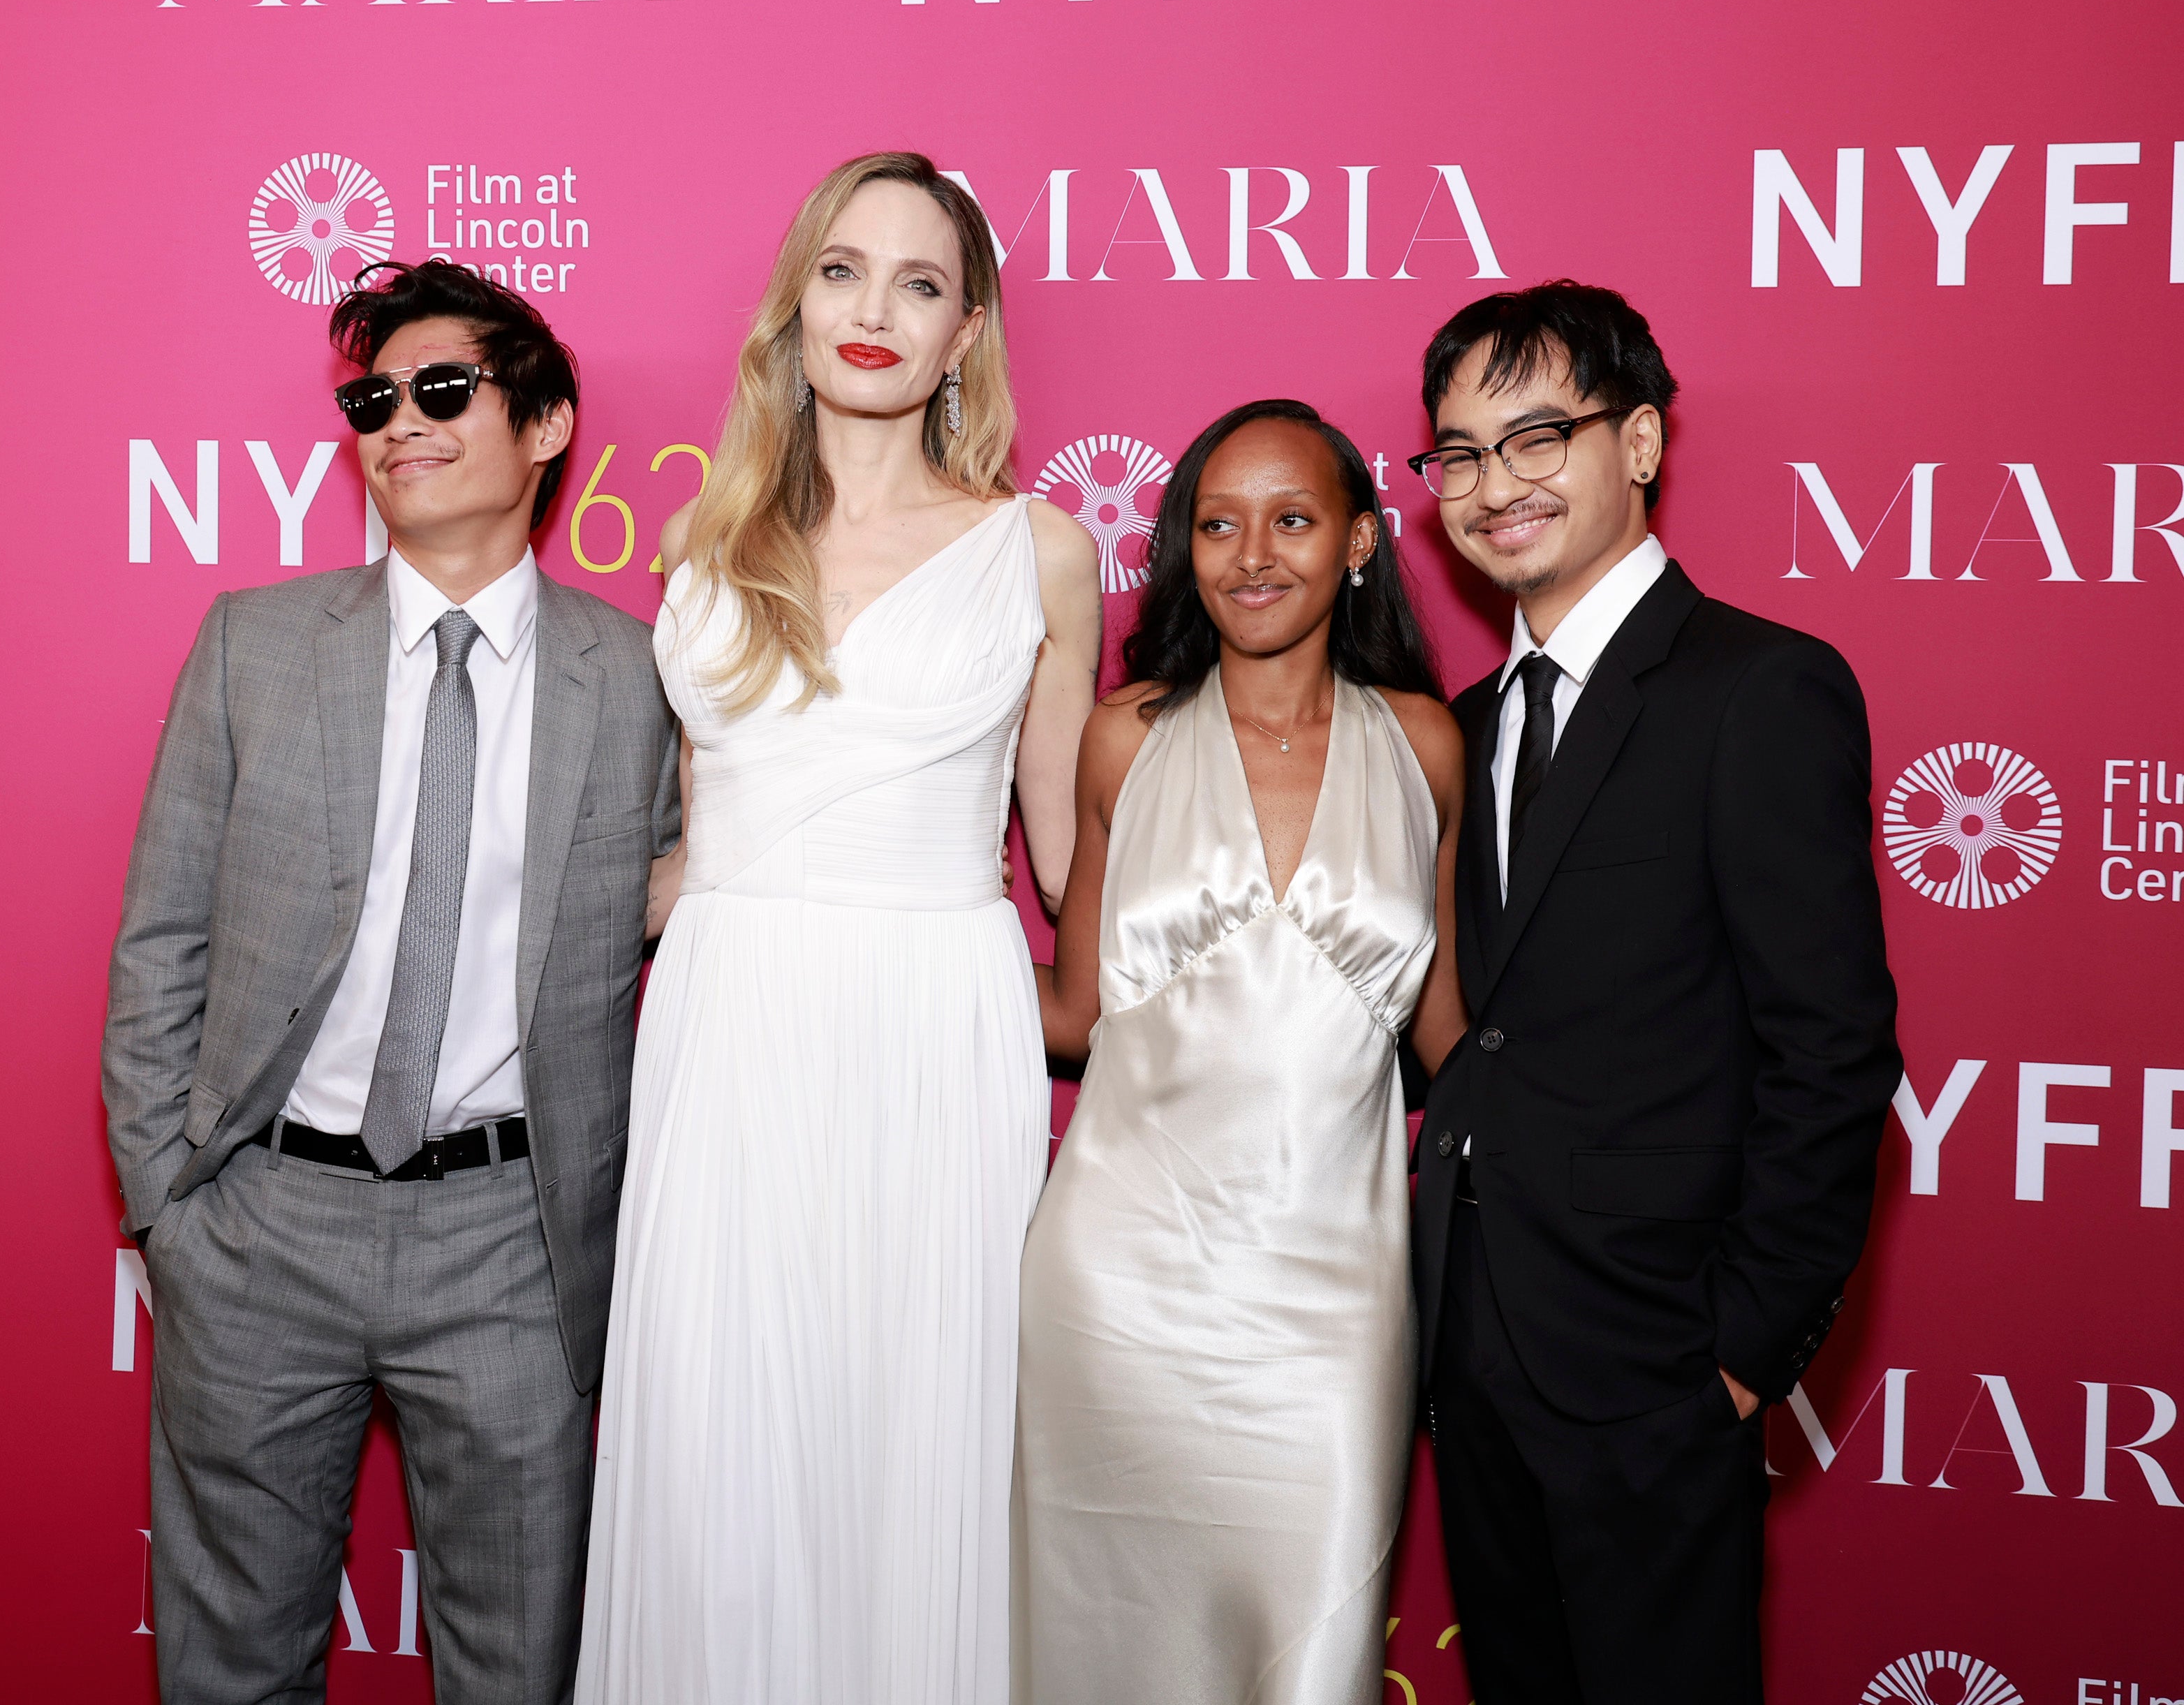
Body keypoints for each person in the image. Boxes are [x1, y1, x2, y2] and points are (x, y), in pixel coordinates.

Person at [101, 260, 679, 1705]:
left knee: (516, 1668)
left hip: (513, 1244)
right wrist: (170, 1202)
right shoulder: (256, 645)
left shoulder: (644, 680)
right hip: (260, 1230)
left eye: (442, 391)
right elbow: (161, 939)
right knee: (227, 1664)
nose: (397, 425)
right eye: (371, 399)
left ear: (544, 427)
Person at [574, 152, 1102, 1705]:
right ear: (795, 306)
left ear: (966, 337)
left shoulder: (1042, 551)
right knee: (717, 1436)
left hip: (934, 1024)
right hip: (729, 1022)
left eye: (921, 283)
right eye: (844, 271)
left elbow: (1071, 864)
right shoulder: (701, 550)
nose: (877, 311)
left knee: (915, 1432)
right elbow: (688, 848)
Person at [1406, 281, 1901, 1704]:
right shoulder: (1471, 722)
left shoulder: (1761, 689)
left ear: (1638, 444)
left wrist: (1739, 1361)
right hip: (1481, 1351)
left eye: (1539, 435)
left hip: (1658, 1367)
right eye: (1461, 452)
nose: (1497, 486)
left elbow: (1833, 1052)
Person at [1015, 400, 1466, 1705]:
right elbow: (1078, 1013)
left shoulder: (1427, 745)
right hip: (1117, 1289)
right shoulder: (1128, 736)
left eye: (1292, 520)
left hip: (1335, 1301)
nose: (1252, 554)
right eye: (1218, 523)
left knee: (1311, 1657)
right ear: (1183, 548)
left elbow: (1447, 1032)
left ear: (1361, 543)